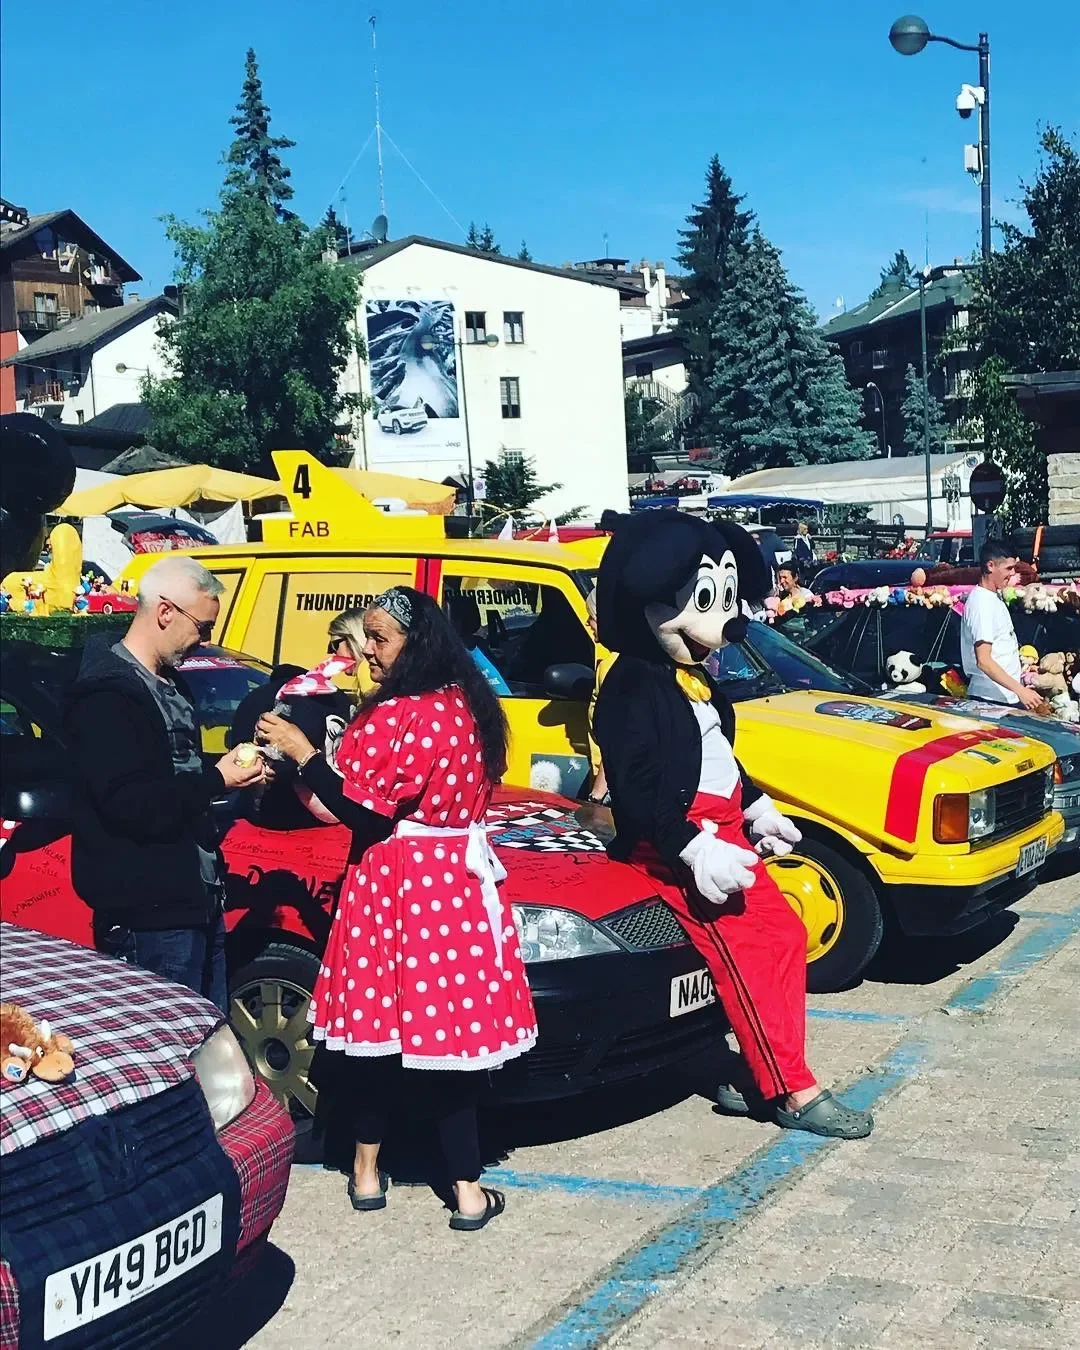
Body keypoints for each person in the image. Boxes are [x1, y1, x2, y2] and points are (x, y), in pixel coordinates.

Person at [256, 586, 537, 1230]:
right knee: (449, 1044)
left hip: (396, 881)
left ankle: (364, 1173)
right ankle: (466, 1191)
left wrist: (301, 755)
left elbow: (359, 809)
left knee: (376, 1039)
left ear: (419, 643)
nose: (368, 651)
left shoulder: (401, 715)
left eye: (380, 638)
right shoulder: (467, 706)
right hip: (456, 890)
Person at [64, 555, 270, 1010]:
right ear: (164, 611)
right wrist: (219, 778)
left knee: (209, 1053)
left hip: (196, 902)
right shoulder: (106, 697)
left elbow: (180, 775)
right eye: (202, 626)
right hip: (149, 915)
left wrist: (229, 771)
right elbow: (132, 803)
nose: (207, 641)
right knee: (167, 1062)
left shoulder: (170, 684)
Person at [229, 609, 364, 829]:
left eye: (334, 644)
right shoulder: (340, 697)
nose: (330, 653)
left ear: (354, 639)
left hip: (297, 818)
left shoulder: (307, 699)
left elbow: (292, 767)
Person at [961, 540, 1044, 710]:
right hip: (990, 700)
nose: (1013, 574)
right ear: (990, 566)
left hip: (1004, 697)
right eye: (1008, 568)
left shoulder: (993, 597)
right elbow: (983, 660)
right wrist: (1021, 691)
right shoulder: (982, 604)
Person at [584, 587, 617, 805]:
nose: (588, 623)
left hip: (612, 790)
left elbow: (616, 738)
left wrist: (596, 795)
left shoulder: (612, 668)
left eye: (592, 617)